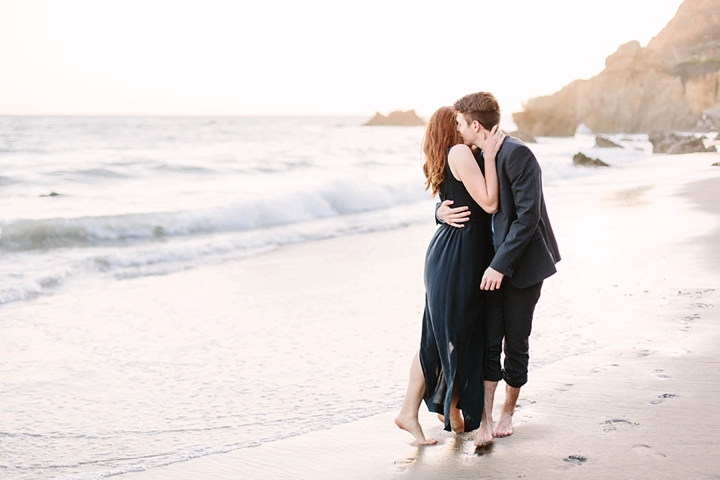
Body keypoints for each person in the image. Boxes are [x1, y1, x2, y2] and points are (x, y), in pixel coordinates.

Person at [437, 92, 561, 441]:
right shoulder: (477, 155)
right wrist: (439, 212)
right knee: (491, 340)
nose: (457, 130)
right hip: (489, 264)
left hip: (523, 266)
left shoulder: (518, 154)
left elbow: (527, 218)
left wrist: (500, 266)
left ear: (475, 125)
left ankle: (508, 412)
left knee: (516, 342)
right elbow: (458, 196)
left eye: (460, 124)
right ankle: (486, 420)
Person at [395, 106, 505, 447]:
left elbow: (455, 201)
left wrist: (438, 212)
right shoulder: (459, 152)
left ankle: (447, 408)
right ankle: (412, 412)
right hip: (457, 257)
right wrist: (489, 155)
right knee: (446, 335)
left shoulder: (452, 155)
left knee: (446, 334)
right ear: (451, 128)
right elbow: (488, 203)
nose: (463, 124)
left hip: (454, 253)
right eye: (457, 120)